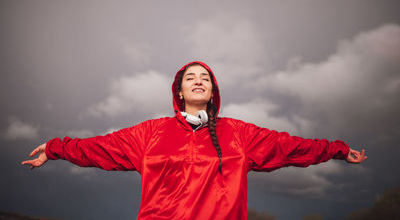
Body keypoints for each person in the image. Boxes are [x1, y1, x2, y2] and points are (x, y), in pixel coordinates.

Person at [22, 61, 367, 219]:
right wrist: (54, 149)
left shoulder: (240, 134)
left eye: (205, 78)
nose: (199, 81)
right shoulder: (150, 133)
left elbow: (292, 146)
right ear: (180, 89)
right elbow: (99, 147)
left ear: (214, 91)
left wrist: (336, 150)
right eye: (191, 77)